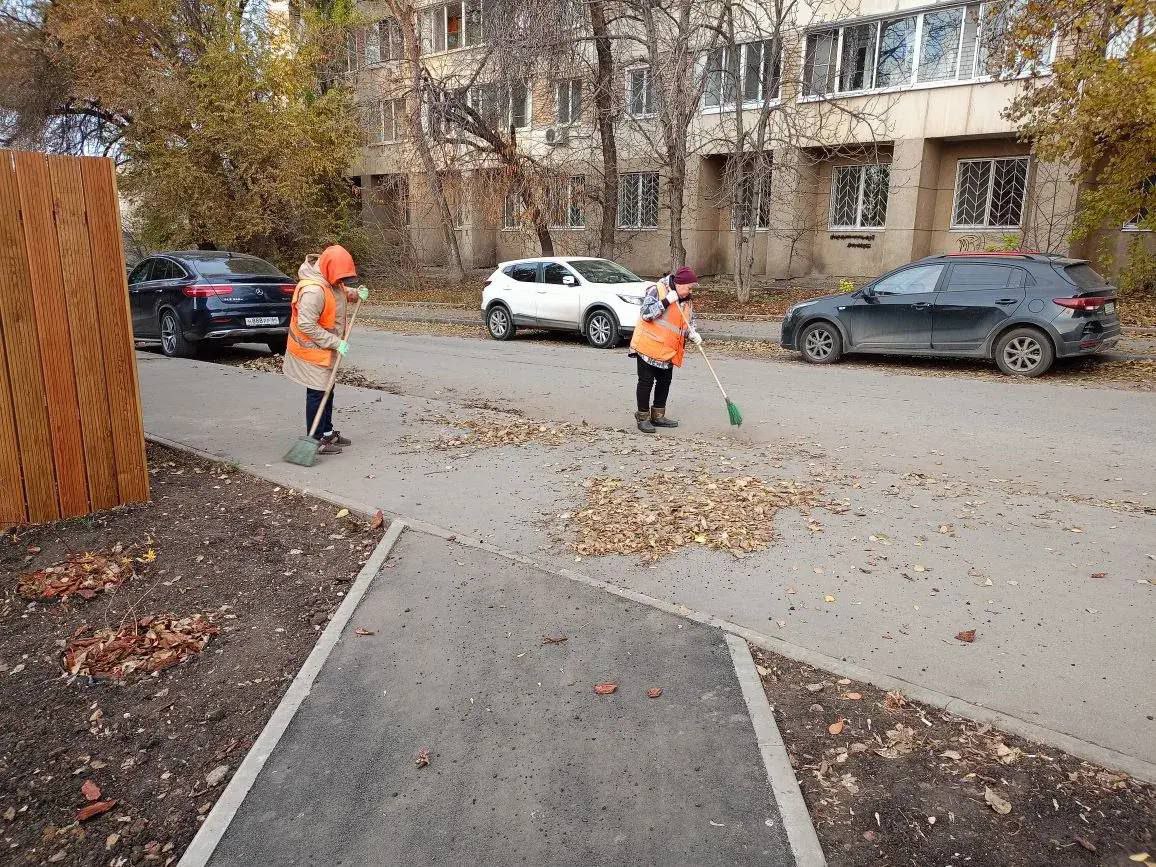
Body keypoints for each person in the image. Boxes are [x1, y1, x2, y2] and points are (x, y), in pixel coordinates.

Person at [282, 245, 368, 455]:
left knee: (327, 390)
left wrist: (355, 294)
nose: (341, 282)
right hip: (311, 350)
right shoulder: (313, 291)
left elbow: (339, 292)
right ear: (329, 268)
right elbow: (306, 325)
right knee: (317, 392)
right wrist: (335, 342)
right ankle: (315, 439)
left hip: (326, 349)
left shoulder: (329, 280)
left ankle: (327, 432)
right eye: (340, 277)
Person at [628, 266, 702, 434]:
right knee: (646, 382)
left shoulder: (687, 300)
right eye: (689, 287)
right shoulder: (657, 290)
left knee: (664, 382)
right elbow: (646, 314)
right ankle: (642, 417)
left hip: (668, 350)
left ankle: (658, 416)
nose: (690, 291)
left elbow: (689, 322)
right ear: (679, 283)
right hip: (648, 347)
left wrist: (693, 333)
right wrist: (666, 301)